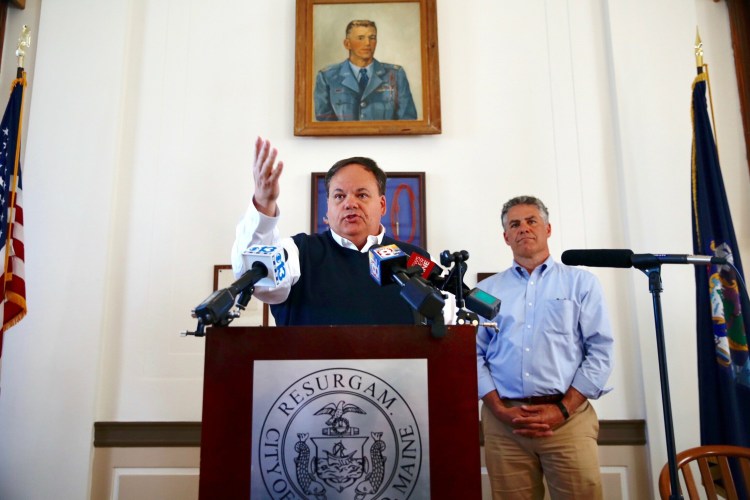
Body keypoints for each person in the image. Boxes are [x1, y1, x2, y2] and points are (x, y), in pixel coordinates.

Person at [476, 196, 614, 500]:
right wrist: (499, 409)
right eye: (515, 224)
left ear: (547, 229)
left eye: (531, 221)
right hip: (504, 426)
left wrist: (562, 409)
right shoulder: (485, 292)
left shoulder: (581, 284)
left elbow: (600, 351)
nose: (523, 228)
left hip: (567, 422)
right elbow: (473, 355)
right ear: (506, 237)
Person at [231, 137, 428, 326]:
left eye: (362, 194)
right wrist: (264, 203)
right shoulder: (297, 252)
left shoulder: (416, 259)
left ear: (382, 205)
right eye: (339, 196)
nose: (350, 203)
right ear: (328, 207)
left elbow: (448, 322)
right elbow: (258, 280)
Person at [314, 20, 418, 121]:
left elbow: (408, 120)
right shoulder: (327, 77)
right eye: (360, 38)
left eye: (372, 38)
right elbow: (324, 126)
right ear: (347, 44)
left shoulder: (395, 75)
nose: (368, 43)